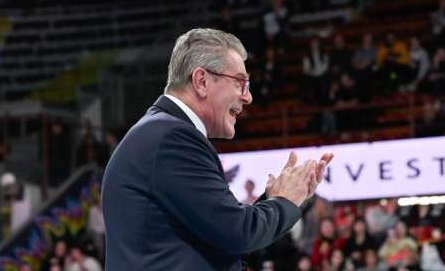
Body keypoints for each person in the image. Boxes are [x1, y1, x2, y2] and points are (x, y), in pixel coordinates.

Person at [102, 28, 334, 271]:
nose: (248, 97)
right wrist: (287, 200)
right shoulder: (172, 138)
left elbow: (221, 234)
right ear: (201, 81)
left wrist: (275, 201)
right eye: (240, 82)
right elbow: (238, 233)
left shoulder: (160, 133)